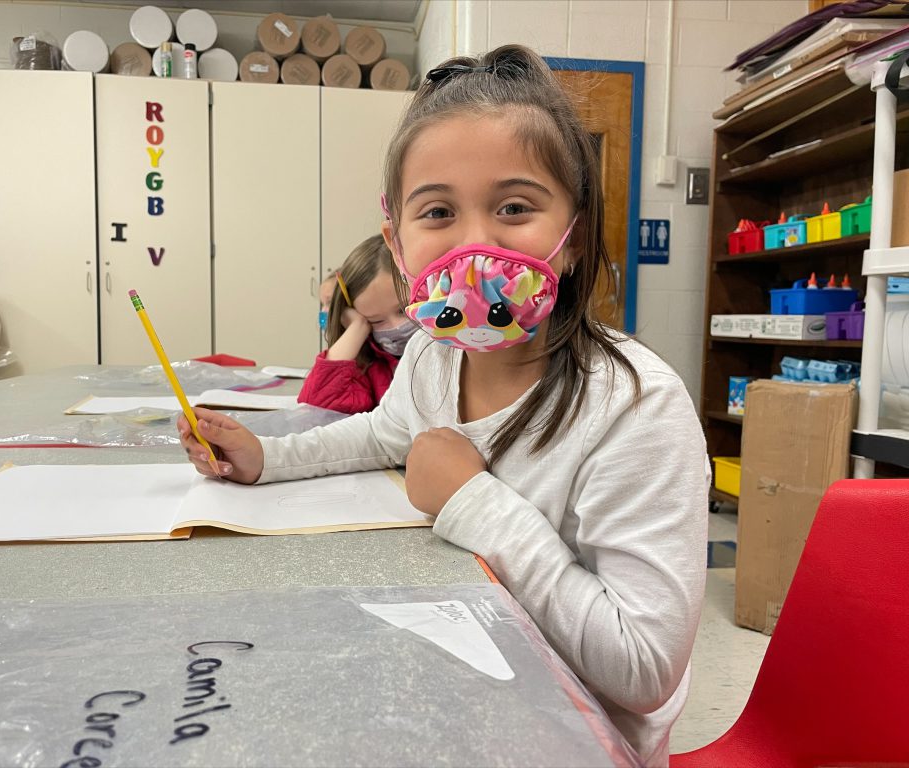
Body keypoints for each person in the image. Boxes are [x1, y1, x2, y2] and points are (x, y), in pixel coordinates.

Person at [179, 44, 709, 766]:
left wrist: (472, 500)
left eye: (514, 207)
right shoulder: (434, 355)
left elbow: (645, 672)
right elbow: (378, 436)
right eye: (438, 212)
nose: (475, 246)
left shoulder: (636, 407)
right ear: (398, 245)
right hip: (455, 681)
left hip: (578, 734)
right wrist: (267, 458)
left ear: (575, 237)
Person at [300, 235, 416, 413]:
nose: (397, 326)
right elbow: (315, 409)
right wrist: (357, 327)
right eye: (375, 320)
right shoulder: (369, 364)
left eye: (403, 310)